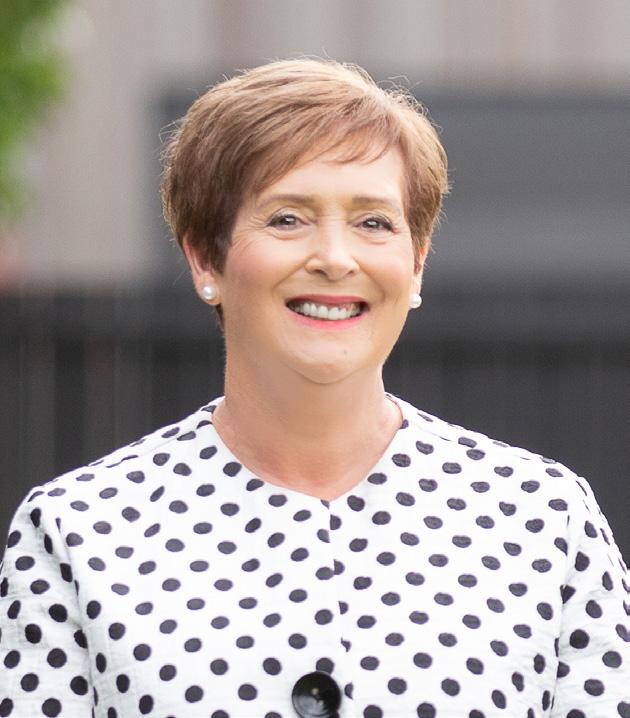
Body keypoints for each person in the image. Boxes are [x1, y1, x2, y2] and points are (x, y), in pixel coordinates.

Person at [0, 58, 627, 718]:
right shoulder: (77, 531)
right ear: (204, 258)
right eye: (288, 218)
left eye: (374, 222)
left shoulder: (543, 519)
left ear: (416, 263)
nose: (334, 257)